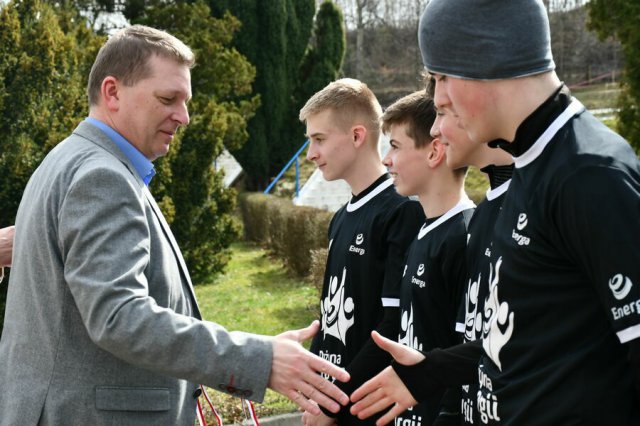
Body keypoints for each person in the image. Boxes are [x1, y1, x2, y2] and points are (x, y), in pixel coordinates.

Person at [0, 25, 350, 425]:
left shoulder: (66, 160)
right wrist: (258, 359)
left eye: (185, 101)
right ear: (112, 92)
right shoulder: (103, 177)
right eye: (168, 99)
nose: (183, 117)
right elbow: (119, 316)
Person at [351, 1, 640, 424]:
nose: (439, 99)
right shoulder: (527, 169)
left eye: (442, 77)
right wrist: (431, 371)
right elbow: (533, 338)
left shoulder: (589, 173)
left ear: (487, 59)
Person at [299, 79, 425, 426]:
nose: (311, 153)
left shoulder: (401, 211)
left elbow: (394, 325)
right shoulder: (341, 218)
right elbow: (331, 317)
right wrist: (314, 392)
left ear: (357, 136)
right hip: (333, 400)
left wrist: (331, 404)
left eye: (319, 139)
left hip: (369, 410)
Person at [380, 90, 474, 425]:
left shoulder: (464, 236)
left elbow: (468, 354)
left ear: (434, 151)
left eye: (395, 146)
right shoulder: (423, 230)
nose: (386, 161)